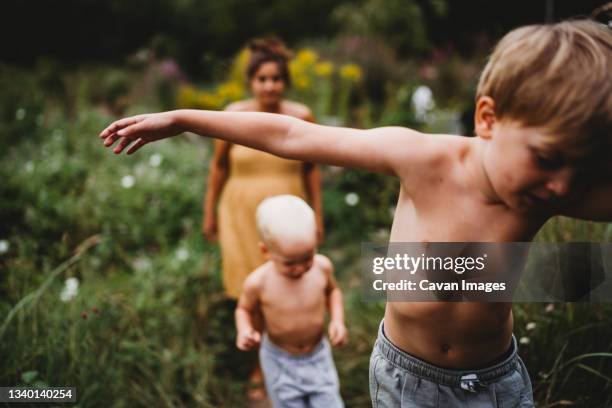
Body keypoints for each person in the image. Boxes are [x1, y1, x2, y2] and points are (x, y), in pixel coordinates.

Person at [100, 19, 612, 407]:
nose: (564, 184)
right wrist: (182, 117)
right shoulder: (422, 158)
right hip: (407, 379)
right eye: (547, 158)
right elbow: (292, 135)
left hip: (496, 379)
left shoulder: (548, 190)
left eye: (581, 168)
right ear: (488, 119)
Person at [201, 38, 323, 401]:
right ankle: (258, 364)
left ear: (285, 82)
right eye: (262, 79)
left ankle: (288, 363)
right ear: (251, 82)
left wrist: (316, 216)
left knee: (287, 287)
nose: (269, 86)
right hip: (240, 214)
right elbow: (218, 167)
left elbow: (312, 170)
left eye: (276, 79)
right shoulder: (232, 114)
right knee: (250, 291)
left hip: (288, 210)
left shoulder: (301, 116)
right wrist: (210, 214)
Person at [235, 195, 347, 408]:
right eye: (290, 263)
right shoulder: (258, 282)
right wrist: (245, 330)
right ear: (266, 251)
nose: (300, 268)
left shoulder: (322, 268)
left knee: (329, 402)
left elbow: (333, 292)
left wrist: (337, 321)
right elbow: (244, 309)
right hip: (280, 360)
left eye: (307, 257)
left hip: (317, 356)